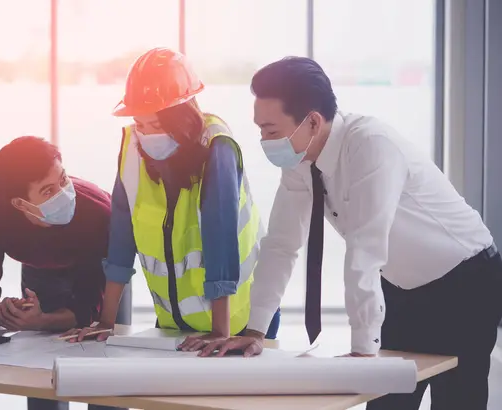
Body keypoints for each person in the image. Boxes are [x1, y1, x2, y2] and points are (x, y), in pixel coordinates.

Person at [203, 57, 502, 410]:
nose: (264, 141)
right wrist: (255, 331)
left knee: (456, 402)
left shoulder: (371, 146)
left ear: (312, 121)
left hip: (465, 283)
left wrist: (362, 349)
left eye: (270, 130)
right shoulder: (300, 161)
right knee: (386, 401)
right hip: (400, 287)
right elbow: (282, 245)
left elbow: (365, 248)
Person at [62, 47, 280, 347]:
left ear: (182, 116)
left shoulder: (217, 149)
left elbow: (222, 241)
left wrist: (220, 332)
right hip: (175, 323)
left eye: (157, 124)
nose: (147, 134)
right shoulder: (132, 154)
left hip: (238, 321)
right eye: (140, 124)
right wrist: (106, 321)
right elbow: (121, 242)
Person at [0, 136, 125, 410]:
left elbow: (90, 311)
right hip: (39, 270)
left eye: (64, 179)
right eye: (48, 191)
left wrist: (42, 321)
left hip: (102, 270)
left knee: (105, 372)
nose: (64, 193)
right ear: (19, 204)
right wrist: (5, 313)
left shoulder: (99, 214)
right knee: (41, 378)